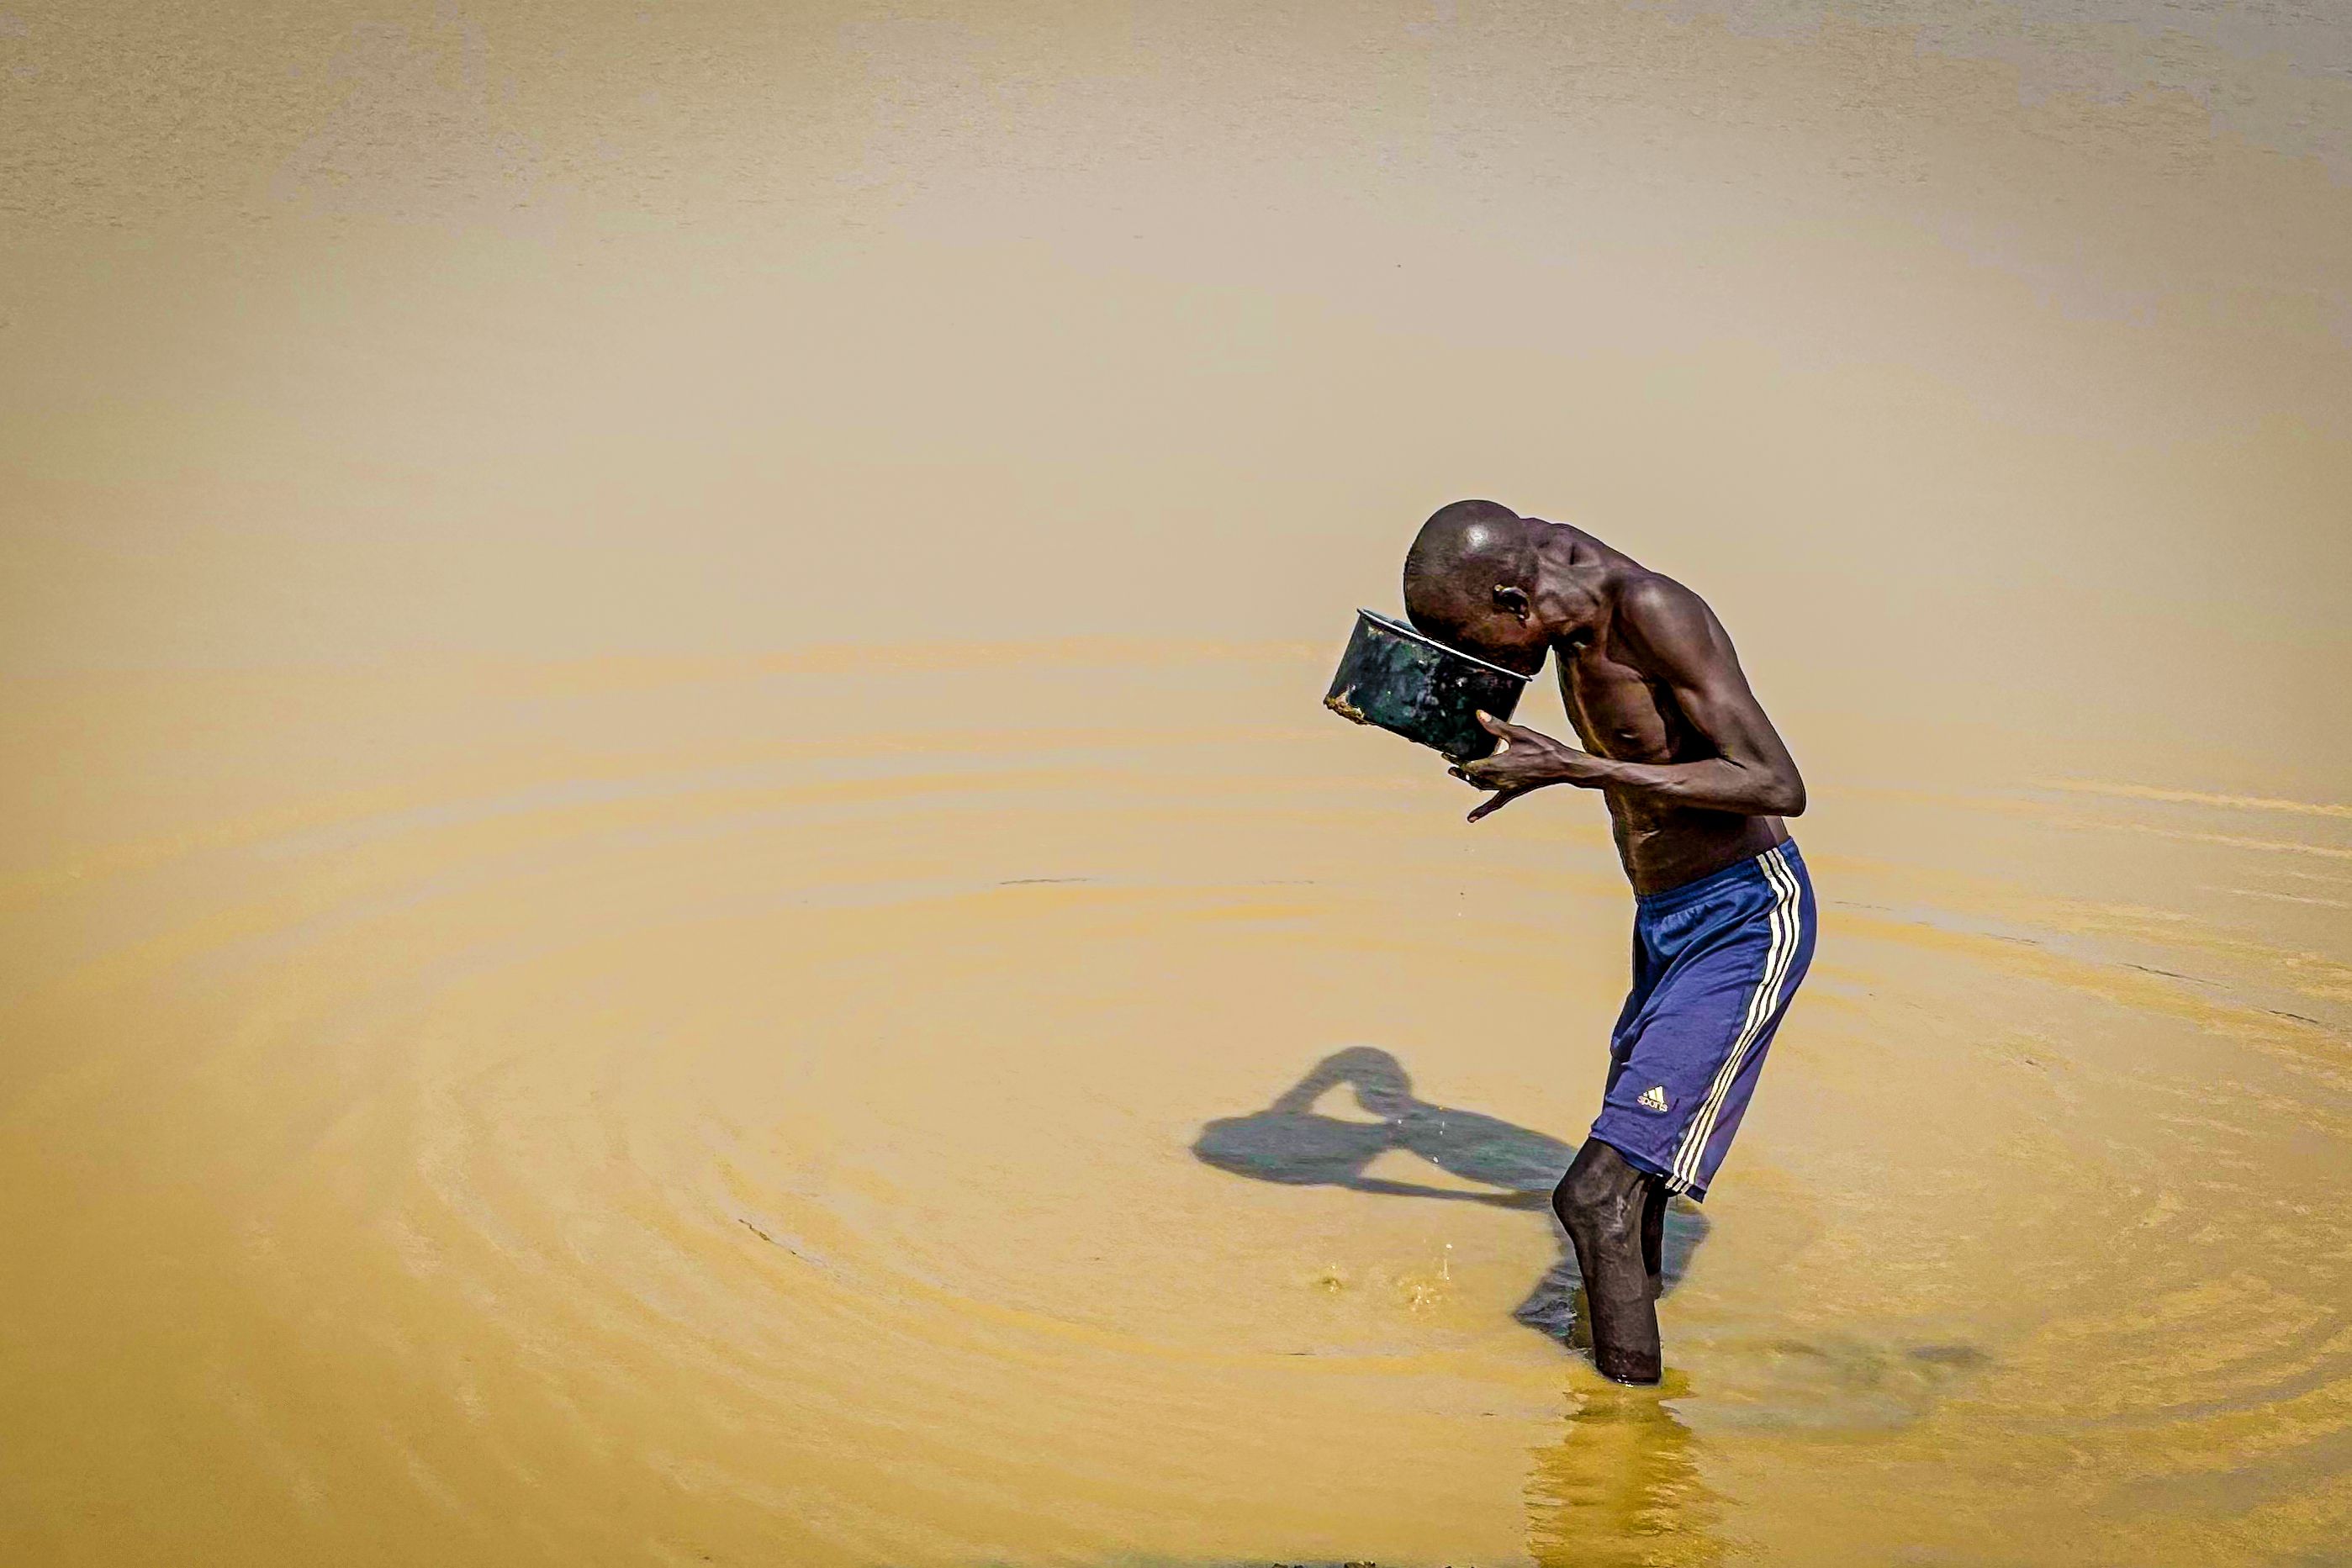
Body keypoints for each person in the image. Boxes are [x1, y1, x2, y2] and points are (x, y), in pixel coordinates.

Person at [1400, 498, 1816, 1386]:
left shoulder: (1654, 612)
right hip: (1661, 921)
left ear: (1517, 598)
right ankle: (1627, 1378)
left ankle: (1629, 1450)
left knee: (1591, 1196)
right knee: (1632, 1197)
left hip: (1744, 916)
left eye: (1480, 640)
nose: (1481, 666)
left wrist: (1572, 766)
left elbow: (1776, 783)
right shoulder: (1544, 585)